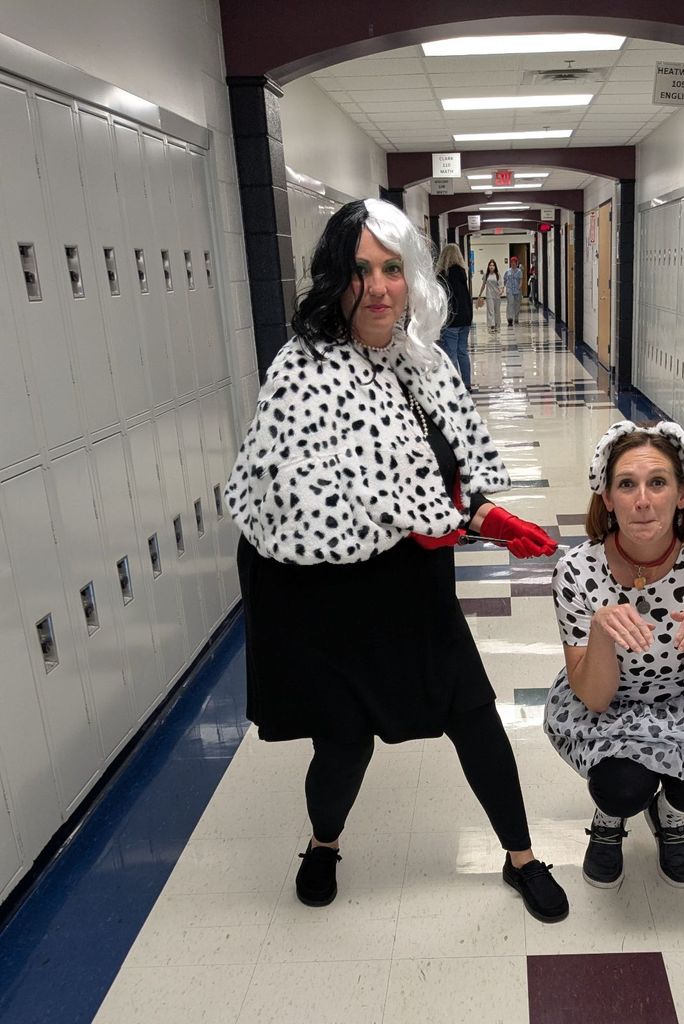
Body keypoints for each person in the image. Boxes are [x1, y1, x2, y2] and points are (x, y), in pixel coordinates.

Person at [226, 198, 569, 923]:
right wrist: (424, 525)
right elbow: (287, 500)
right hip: (327, 599)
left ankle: (520, 856)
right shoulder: (303, 369)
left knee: (474, 713)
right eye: (359, 271)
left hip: (414, 589)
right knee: (344, 745)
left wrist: (481, 516)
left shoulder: (422, 363)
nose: (379, 288)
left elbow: (435, 481)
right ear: (334, 281)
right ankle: (323, 842)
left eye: (391, 269)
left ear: (411, 277)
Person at [543, 420, 684, 889]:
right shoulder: (576, 571)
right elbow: (596, 698)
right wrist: (601, 631)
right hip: (613, 704)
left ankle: (669, 812)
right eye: (627, 485)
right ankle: (610, 818)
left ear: (682, 494)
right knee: (621, 788)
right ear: (607, 498)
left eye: (657, 483)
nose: (642, 500)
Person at [435, 243, 473, 389]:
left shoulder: (441, 276)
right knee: (462, 352)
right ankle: (467, 383)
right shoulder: (463, 274)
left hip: (451, 320)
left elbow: (441, 301)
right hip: (465, 319)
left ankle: (457, 387)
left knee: (451, 354)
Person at [477, 258, 501, 332]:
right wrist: (480, 294)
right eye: (490, 265)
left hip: (497, 295)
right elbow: (483, 285)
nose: (491, 267)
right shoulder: (486, 275)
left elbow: (501, 285)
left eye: (493, 265)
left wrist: (501, 291)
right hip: (489, 295)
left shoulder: (497, 275)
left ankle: (497, 324)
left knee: (497, 311)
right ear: (488, 266)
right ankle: (491, 325)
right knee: (490, 311)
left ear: (495, 266)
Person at [503, 256, 523, 326]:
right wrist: (503, 288)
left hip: (517, 290)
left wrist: (520, 286)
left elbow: (521, 280)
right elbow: (504, 280)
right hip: (510, 290)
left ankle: (516, 317)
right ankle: (510, 318)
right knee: (510, 304)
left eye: (515, 262)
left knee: (517, 304)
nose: (513, 264)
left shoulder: (519, 271)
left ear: (517, 263)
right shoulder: (507, 271)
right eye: (512, 262)